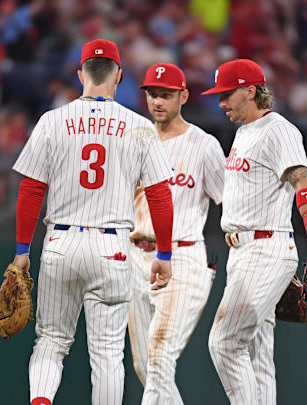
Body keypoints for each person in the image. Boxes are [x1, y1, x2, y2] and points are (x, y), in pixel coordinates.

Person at [11, 39, 175, 405]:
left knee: (51, 342)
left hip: (60, 241)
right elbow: (161, 196)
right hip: (112, 247)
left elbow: (31, 189)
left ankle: (40, 401)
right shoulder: (139, 127)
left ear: (80, 73)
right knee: (106, 352)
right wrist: (164, 253)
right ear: (118, 75)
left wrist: (23, 249)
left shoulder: (53, 121)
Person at [202, 59, 307, 405]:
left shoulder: (279, 130)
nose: (221, 103)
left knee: (225, 343)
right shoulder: (244, 131)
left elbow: (303, 183)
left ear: (250, 91)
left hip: (265, 249)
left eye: (227, 94)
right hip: (243, 252)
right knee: (257, 354)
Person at [127, 63, 226, 405]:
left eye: (165, 95)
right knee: (145, 364)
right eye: (152, 94)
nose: (157, 101)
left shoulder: (204, 145)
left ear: (183, 96)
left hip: (182, 258)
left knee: (158, 355)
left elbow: (231, 201)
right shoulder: (135, 138)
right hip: (134, 256)